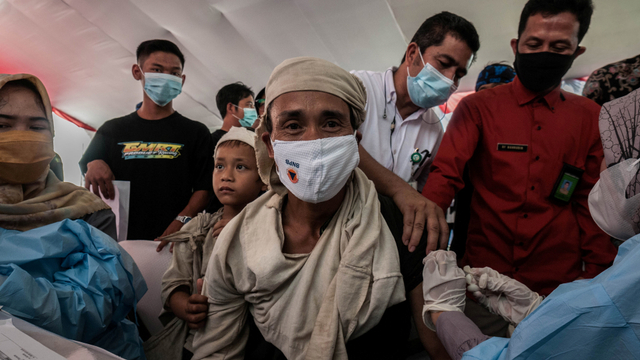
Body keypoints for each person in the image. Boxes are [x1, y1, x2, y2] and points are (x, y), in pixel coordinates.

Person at [192, 57, 431, 360]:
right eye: (293, 126)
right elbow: (216, 350)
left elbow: (435, 334)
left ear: (354, 140)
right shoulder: (238, 242)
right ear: (270, 145)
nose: (314, 140)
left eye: (331, 123)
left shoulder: (399, 224)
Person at [422, 0, 617, 337]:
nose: (544, 53)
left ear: (576, 50)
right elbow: (445, 175)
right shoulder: (477, 109)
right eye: (534, 44)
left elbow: (592, 204)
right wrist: (428, 246)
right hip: (482, 283)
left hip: (557, 291)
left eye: (559, 47)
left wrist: (595, 282)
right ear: (516, 46)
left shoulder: (590, 117)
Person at [0, 73, 146, 359]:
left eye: (36, 127)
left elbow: (91, 310)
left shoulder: (87, 210)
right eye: (3, 125)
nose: (21, 136)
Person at [144, 128, 266, 360]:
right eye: (219, 166)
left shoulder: (271, 228)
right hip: (196, 343)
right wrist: (185, 306)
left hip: (255, 344)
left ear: (263, 180)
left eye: (240, 167)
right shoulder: (197, 231)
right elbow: (174, 282)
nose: (226, 176)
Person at [79, 39, 214, 245]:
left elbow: (204, 189)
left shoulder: (196, 132)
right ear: (137, 71)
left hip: (174, 243)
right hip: (119, 243)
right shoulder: (111, 130)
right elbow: (89, 169)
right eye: (157, 70)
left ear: (182, 79)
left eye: (174, 73)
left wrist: (181, 220)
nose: (166, 78)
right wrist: (94, 163)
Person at [352, 11, 479, 193]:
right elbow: (335, 147)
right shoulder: (358, 88)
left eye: (458, 75)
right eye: (443, 63)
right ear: (412, 53)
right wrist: (399, 191)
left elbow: (421, 195)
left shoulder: (434, 131)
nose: (450, 80)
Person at [450, 63, 517, 258]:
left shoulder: (531, 139)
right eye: (482, 91)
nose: (487, 99)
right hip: (472, 245)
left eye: (498, 91)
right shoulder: (466, 139)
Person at [211, 82, 257, 147]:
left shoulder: (253, 138)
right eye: (249, 105)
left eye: (253, 106)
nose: (254, 110)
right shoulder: (213, 142)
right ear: (230, 108)